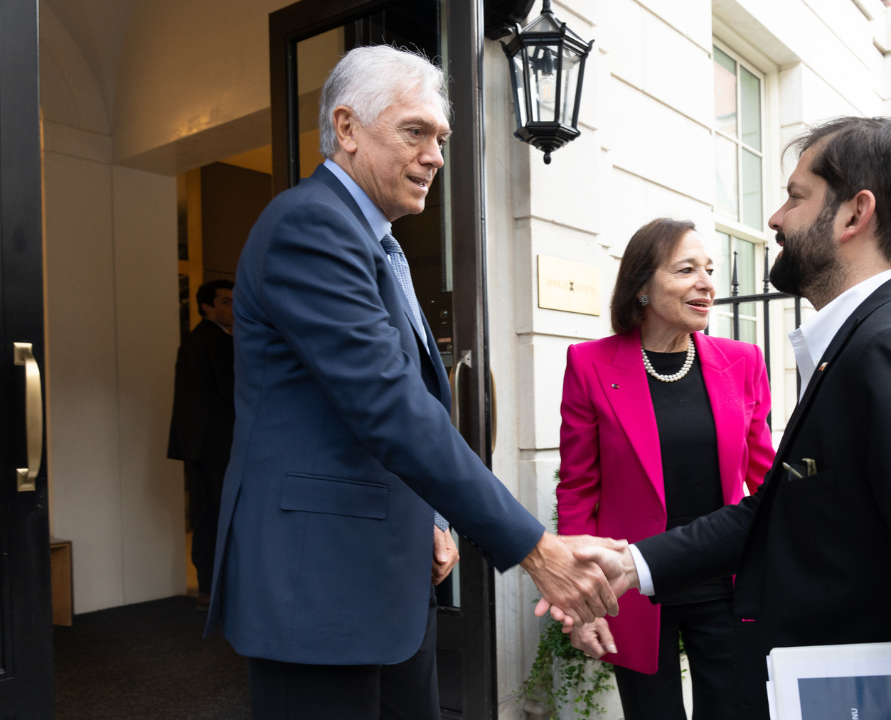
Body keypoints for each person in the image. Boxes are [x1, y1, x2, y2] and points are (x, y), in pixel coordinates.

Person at [562, 116, 891, 720]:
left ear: (853, 214)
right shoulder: (867, 340)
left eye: (795, 196)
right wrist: (633, 564)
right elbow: (778, 507)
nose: (775, 219)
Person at [205, 45, 619, 720]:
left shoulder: (374, 242)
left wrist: (426, 516)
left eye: (442, 138)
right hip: (319, 590)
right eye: (414, 132)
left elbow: (365, 408)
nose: (434, 155)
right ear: (346, 129)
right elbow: (387, 405)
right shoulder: (309, 226)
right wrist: (535, 547)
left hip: (386, 579)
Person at [557, 218, 775, 719]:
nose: (706, 282)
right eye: (686, 270)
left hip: (723, 580)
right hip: (632, 585)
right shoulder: (590, 365)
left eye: (709, 269)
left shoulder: (743, 362)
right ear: (642, 287)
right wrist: (577, 598)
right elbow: (577, 488)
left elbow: (766, 481)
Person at [167, 279, 235, 611]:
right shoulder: (219, 342)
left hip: (196, 445)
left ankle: (207, 591)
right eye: (225, 302)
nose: (231, 309)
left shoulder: (192, 340)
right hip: (220, 446)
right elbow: (232, 393)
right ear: (207, 306)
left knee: (205, 517)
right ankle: (224, 591)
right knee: (226, 516)